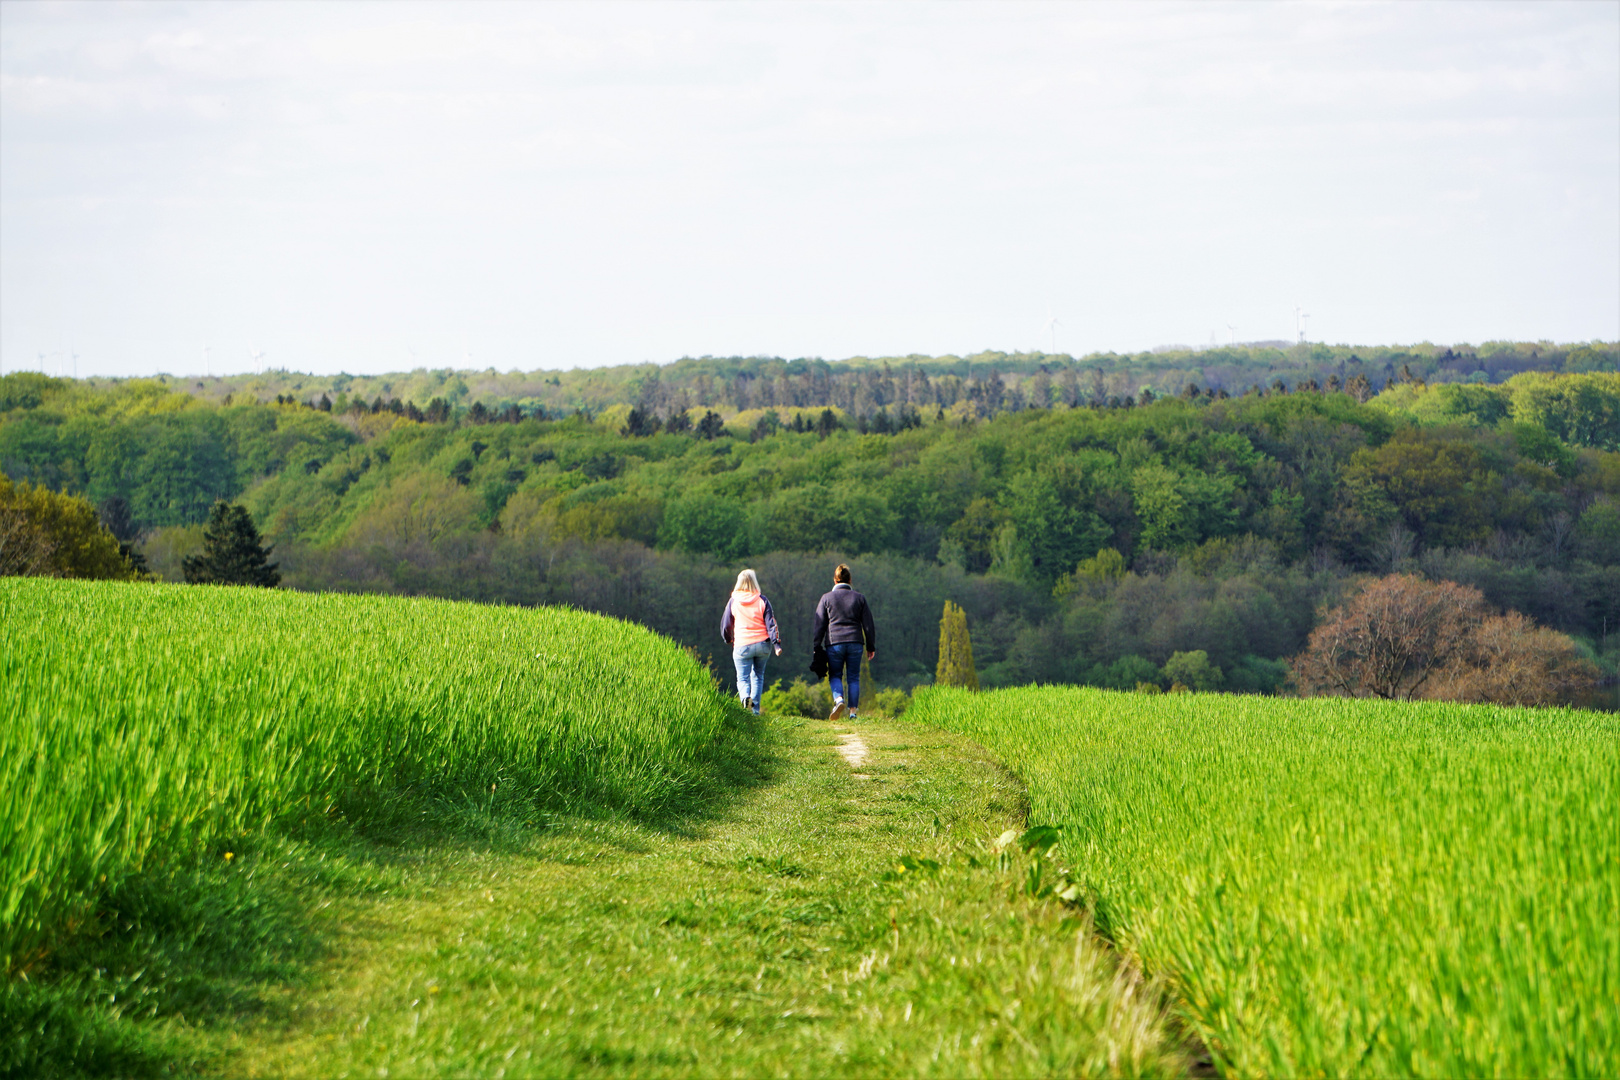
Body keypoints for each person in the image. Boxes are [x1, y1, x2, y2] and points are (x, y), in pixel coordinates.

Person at [812, 563, 876, 722]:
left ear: (835, 580)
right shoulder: (860, 598)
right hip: (855, 642)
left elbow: (819, 623)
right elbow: (868, 624)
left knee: (835, 674)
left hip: (834, 643)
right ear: (850, 580)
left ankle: (839, 699)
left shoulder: (826, 598)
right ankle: (853, 712)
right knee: (853, 677)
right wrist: (870, 646)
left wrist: (816, 645)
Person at [721, 568, 782, 715]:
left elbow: (726, 625)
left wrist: (728, 638)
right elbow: (771, 623)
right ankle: (754, 711)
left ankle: (745, 698)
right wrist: (776, 644)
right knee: (758, 676)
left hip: (742, 645)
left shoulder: (733, 602)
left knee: (742, 678)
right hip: (762, 645)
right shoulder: (762, 600)